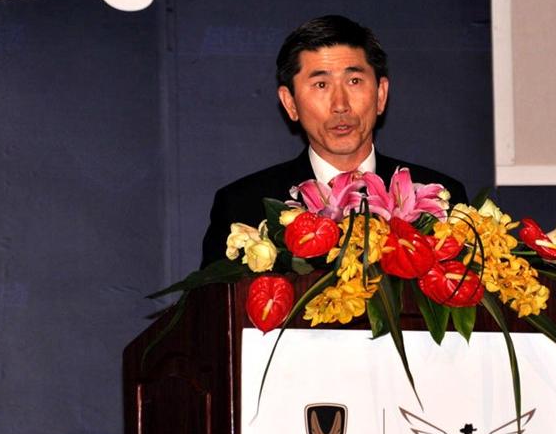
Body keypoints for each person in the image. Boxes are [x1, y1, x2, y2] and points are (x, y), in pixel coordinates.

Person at [200, 15, 468, 267]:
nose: (340, 104)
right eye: (321, 85)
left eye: (354, 81)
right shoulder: (244, 208)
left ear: (381, 94)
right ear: (290, 103)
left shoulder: (440, 200)